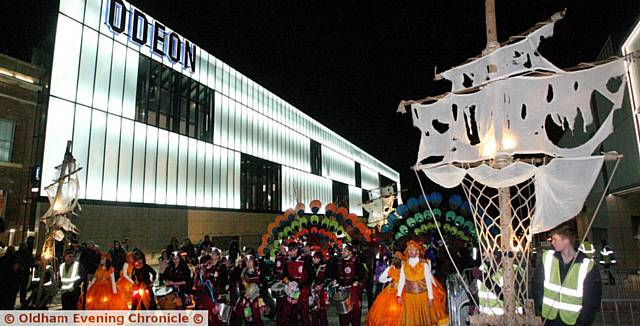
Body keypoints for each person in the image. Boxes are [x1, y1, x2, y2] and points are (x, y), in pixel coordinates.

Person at [533, 222, 601, 325]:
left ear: (566, 240)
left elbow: (591, 300)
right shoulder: (547, 258)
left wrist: (582, 322)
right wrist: (542, 309)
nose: (552, 243)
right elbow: (537, 285)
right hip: (549, 319)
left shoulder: (587, 265)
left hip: (573, 321)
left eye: (555, 239)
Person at [396, 240, 437, 326]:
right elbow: (402, 280)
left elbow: (428, 281)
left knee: (423, 320)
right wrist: (399, 295)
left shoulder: (423, 264)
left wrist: (430, 297)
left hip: (422, 296)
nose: (411, 251)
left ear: (417, 251)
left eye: (413, 249)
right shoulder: (404, 265)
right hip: (409, 297)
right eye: (409, 249)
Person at [331, 243, 365, 326]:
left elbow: (362, 275)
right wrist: (334, 280)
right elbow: (334, 275)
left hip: (353, 292)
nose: (343, 252)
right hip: (342, 291)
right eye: (342, 250)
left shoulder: (356, 262)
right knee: (343, 316)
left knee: (355, 315)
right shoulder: (338, 262)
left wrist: (357, 281)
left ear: (350, 252)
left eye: (345, 250)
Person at [282, 241, 315, 325]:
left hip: (303, 291)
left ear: (296, 250)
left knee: (304, 315)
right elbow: (285, 274)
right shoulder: (288, 261)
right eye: (288, 250)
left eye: (291, 250)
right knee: (290, 313)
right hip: (292, 292)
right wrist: (287, 281)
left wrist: (303, 285)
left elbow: (312, 275)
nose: (289, 252)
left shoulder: (305, 260)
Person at [367, 252, 404, 326]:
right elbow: (381, 279)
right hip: (390, 292)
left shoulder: (404, 269)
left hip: (402, 292)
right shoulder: (390, 268)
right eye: (396, 259)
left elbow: (405, 281)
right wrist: (390, 279)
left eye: (398, 259)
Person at [236, 255, 264, 325]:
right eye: (247, 261)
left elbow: (263, 287)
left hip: (257, 299)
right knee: (248, 319)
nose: (248, 263)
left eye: (250, 261)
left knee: (258, 319)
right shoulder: (243, 273)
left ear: (253, 262)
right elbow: (241, 287)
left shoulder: (259, 272)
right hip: (246, 300)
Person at [310, 251, 328, 326]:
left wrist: (321, 285)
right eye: (313, 258)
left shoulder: (324, 267)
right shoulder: (312, 266)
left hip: (322, 293)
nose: (314, 259)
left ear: (320, 259)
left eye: (316, 258)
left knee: (322, 311)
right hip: (313, 292)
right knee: (313, 312)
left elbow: (327, 279)